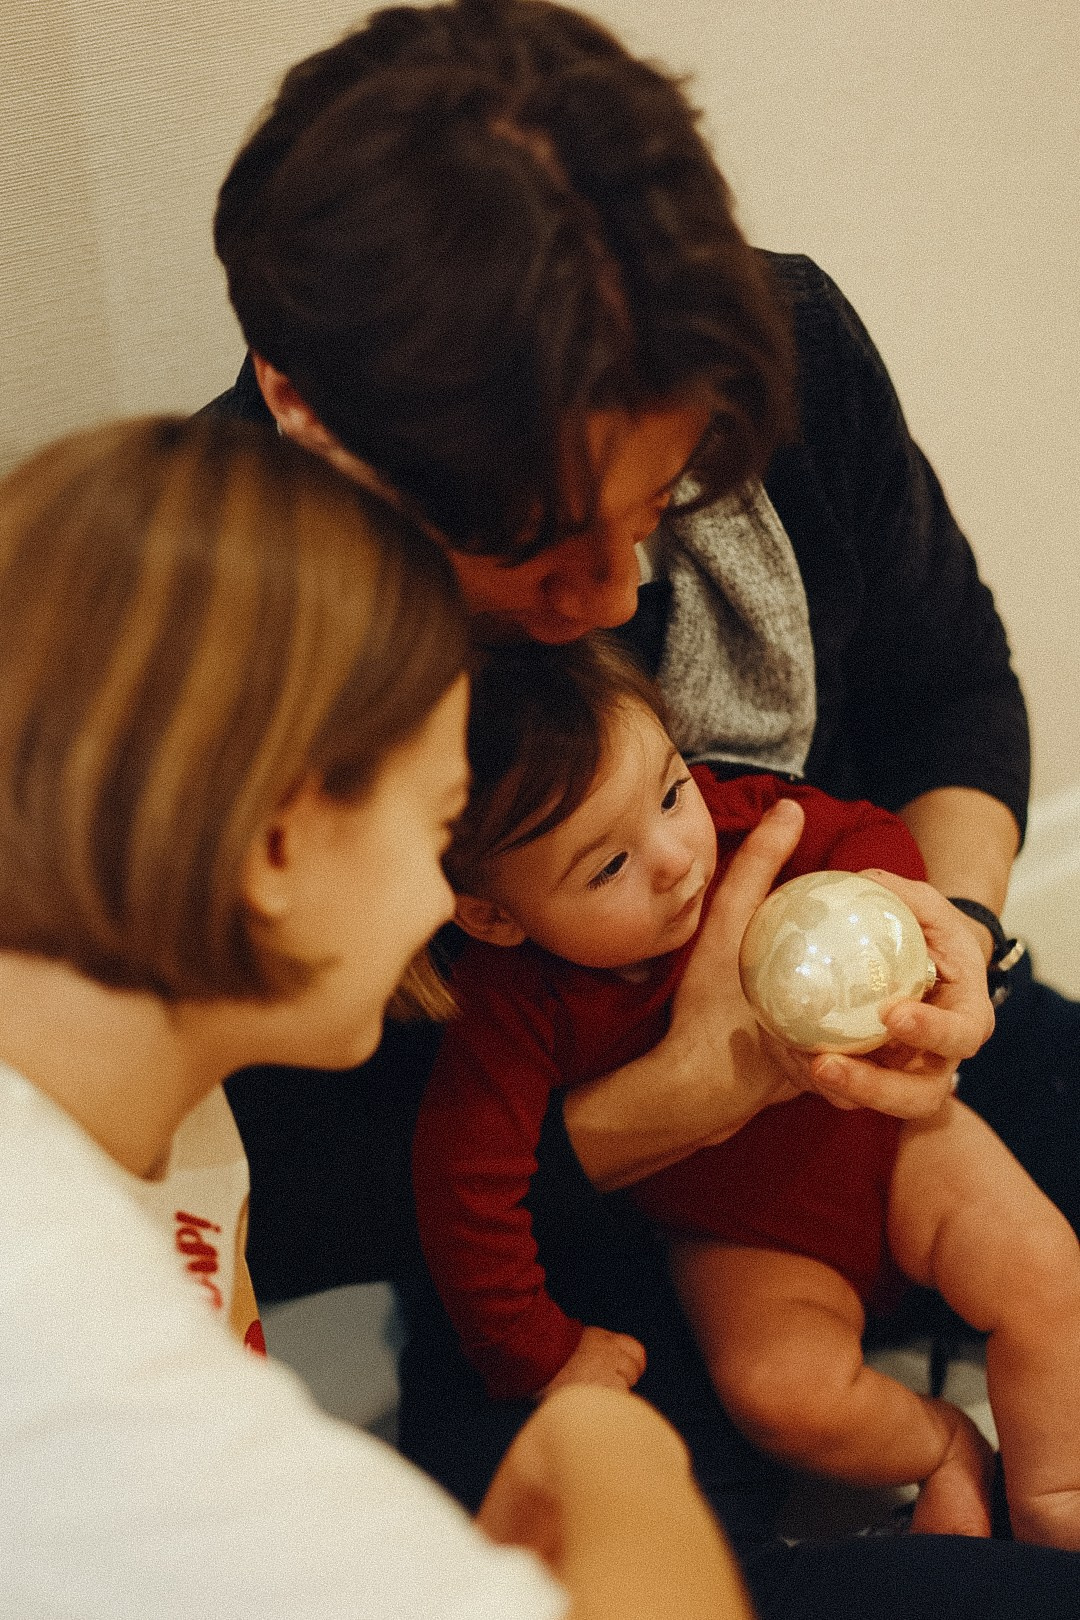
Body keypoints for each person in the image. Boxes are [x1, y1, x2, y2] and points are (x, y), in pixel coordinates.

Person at [204, 1, 1080, 1612]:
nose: (611, 591)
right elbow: (299, 1178)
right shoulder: (219, 637)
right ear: (307, 413)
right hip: (550, 1206)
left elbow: (957, 686)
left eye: (661, 505)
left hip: (885, 1059)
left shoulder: (783, 355)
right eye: (536, 545)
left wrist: (945, 936)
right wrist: (683, 1098)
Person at [0, 413, 757, 1620]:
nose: (437, 908)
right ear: (278, 845)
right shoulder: (73, 1354)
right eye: (437, 818)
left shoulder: (147, 1109)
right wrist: (612, 1451)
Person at [413, 635, 1080, 1548]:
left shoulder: (747, 825)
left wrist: (884, 908)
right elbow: (460, 1195)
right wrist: (542, 1350)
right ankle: (944, 1445)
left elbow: (866, 831)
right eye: (607, 867)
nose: (676, 856)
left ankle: (1054, 1501)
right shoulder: (508, 1013)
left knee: (1043, 1267)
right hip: (744, 1231)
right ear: (493, 916)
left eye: (670, 791)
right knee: (781, 1397)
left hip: (890, 1142)